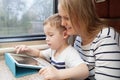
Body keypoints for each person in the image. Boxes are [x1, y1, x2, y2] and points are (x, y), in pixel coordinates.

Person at [57, 0, 120, 80]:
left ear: (83, 15)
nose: (62, 23)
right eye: (61, 17)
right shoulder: (79, 39)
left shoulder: (105, 39)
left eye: (67, 18)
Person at [15, 13, 89, 80]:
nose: (46, 39)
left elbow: (84, 71)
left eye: (50, 35)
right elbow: (39, 54)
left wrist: (59, 74)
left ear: (65, 35)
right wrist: (27, 49)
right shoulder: (53, 50)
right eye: (46, 35)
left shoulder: (70, 53)